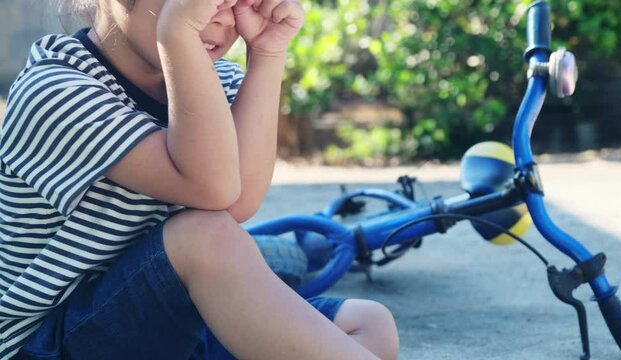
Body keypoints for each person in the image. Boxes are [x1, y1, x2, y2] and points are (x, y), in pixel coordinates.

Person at [0, 0, 400, 359]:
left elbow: (239, 201)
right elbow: (215, 193)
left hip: (164, 321)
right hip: (50, 340)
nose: (223, 16)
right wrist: (176, 34)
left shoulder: (213, 79)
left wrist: (267, 52)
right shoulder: (54, 92)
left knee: (369, 324)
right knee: (203, 236)